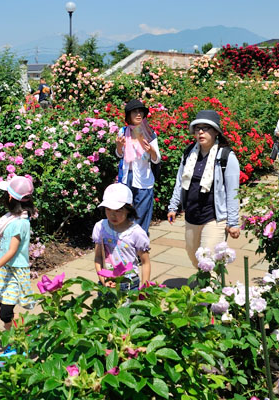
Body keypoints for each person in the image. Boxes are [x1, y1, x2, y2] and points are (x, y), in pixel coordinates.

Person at [167, 110, 241, 268]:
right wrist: (173, 206)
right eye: (197, 128)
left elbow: (233, 192)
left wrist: (233, 222)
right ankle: (206, 287)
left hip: (214, 217)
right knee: (194, 257)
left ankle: (211, 289)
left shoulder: (226, 156)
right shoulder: (189, 153)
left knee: (208, 260)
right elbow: (180, 181)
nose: (200, 132)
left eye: (206, 128)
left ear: (215, 132)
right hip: (192, 215)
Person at [0, 176, 36, 330]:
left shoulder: (19, 223)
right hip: (6, 270)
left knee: (5, 312)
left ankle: (19, 335)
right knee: (5, 308)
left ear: (9, 197)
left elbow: (12, 251)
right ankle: (19, 334)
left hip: (14, 272)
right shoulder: (14, 219)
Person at [93, 183, 151, 291]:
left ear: (128, 209)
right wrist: (103, 280)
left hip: (129, 283)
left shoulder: (136, 233)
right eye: (108, 209)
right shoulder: (100, 227)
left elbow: (145, 262)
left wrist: (144, 290)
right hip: (107, 281)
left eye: (118, 210)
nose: (112, 215)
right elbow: (98, 257)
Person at [116, 99, 161, 234]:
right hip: (127, 178)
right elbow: (119, 155)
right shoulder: (123, 132)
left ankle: (139, 245)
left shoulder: (149, 133)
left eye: (140, 111)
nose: (138, 114)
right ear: (128, 115)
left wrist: (151, 151)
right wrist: (119, 146)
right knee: (126, 213)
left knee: (141, 214)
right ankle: (127, 244)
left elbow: (156, 159)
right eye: (135, 112)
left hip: (143, 178)